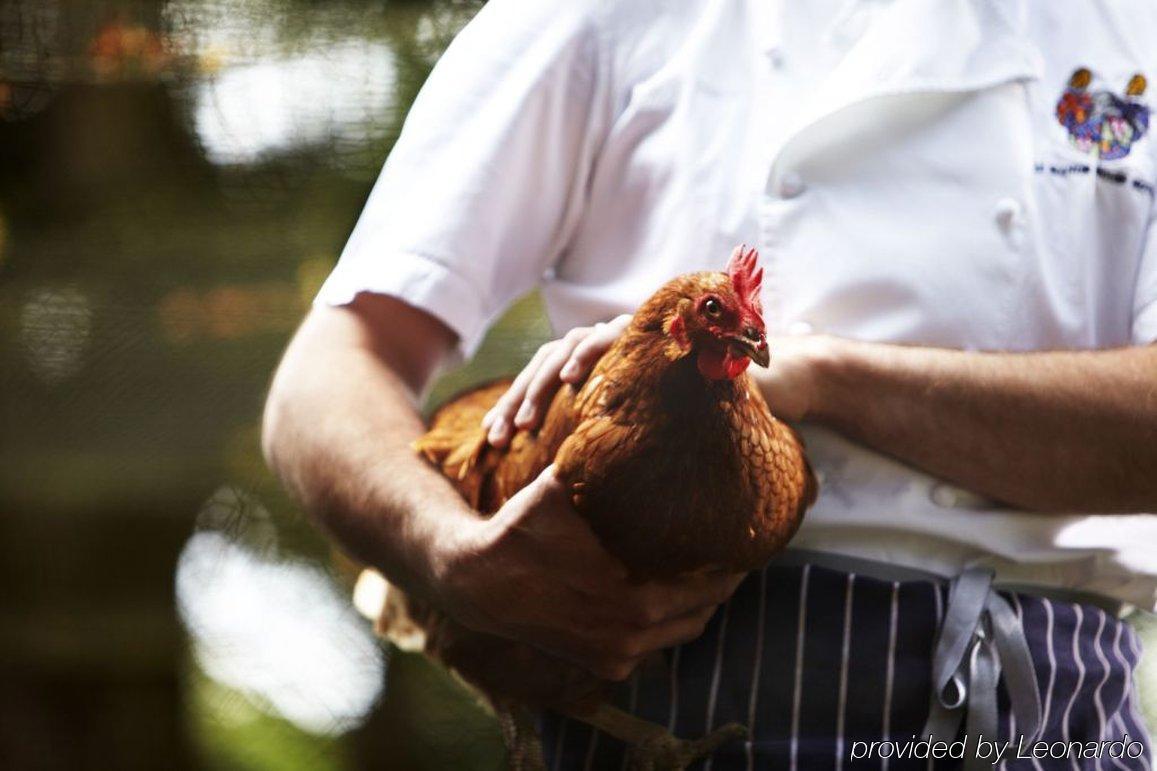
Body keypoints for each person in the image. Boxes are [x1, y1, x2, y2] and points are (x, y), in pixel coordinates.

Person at [262, 0, 1157, 767]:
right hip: (661, 669)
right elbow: (327, 371)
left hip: (1049, 704)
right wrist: (446, 553)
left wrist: (822, 378)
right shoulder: (600, 17)